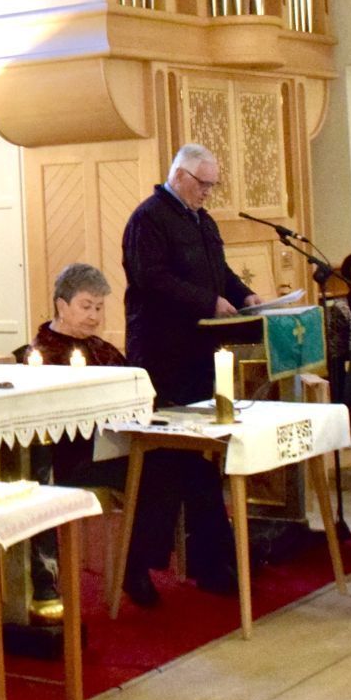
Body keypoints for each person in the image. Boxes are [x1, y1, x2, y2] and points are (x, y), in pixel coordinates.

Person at [120, 143, 257, 607]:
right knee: (164, 464)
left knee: (203, 461)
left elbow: (218, 275)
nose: (208, 194)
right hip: (163, 357)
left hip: (202, 356)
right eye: (204, 185)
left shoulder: (203, 221)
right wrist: (206, 302)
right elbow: (150, 279)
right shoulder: (149, 218)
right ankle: (136, 565)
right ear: (179, 175)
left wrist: (247, 295)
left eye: (212, 186)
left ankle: (211, 562)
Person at [16, 263, 127, 487]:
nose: (94, 316)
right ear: (61, 306)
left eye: (98, 308)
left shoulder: (99, 346)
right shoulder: (44, 352)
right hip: (73, 459)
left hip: (116, 443)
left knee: (190, 466)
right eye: (86, 306)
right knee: (165, 470)